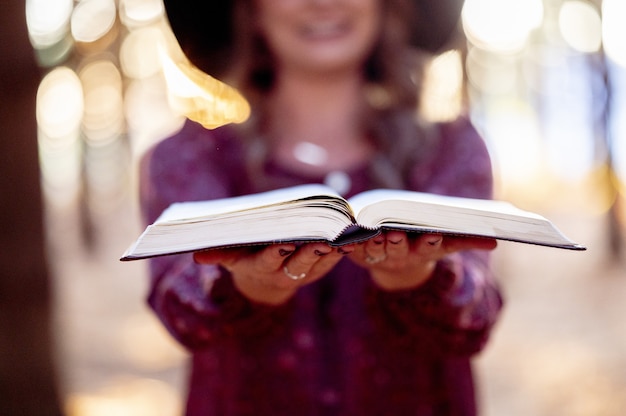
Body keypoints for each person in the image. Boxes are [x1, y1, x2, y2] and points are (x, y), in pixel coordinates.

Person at [140, 0, 503, 414]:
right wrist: (248, 286)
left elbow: (474, 320)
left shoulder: (450, 150)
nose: (322, 2)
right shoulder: (192, 156)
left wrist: (418, 275)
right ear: (250, 10)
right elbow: (180, 310)